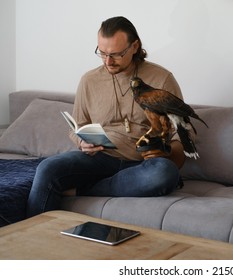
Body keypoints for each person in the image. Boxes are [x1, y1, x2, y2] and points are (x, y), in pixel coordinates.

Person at [27, 16, 186, 217]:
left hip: (143, 163)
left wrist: (168, 155)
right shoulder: (89, 80)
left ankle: (85, 190)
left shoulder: (162, 79)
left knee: (164, 173)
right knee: (47, 168)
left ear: (135, 46)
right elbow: (77, 126)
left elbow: (180, 134)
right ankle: (36, 239)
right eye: (102, 53)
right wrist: (82, 142)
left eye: (116, 54)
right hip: (100, 158)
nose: (108, 61)